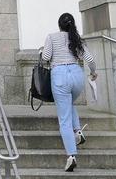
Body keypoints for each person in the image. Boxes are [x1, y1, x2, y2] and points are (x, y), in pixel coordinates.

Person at [41, 13, 97, 172]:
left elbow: (46, 57)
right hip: (77, 75)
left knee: (64, 118)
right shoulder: (77, 39)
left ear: (59, 25)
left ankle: (71, 156)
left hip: (60, 76)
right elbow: (90, 59)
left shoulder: (52, 37)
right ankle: (78, 131)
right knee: (68, 103)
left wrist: (42, 52)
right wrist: (93, 73)